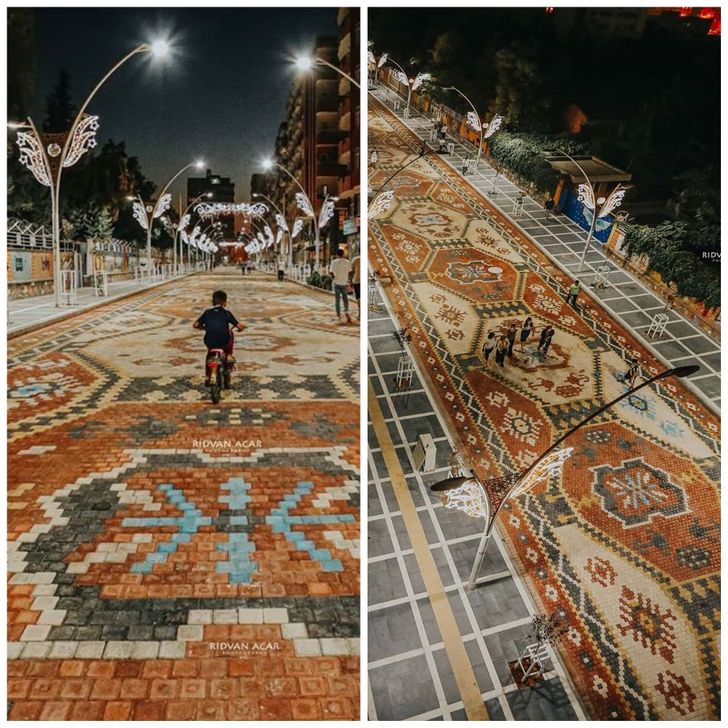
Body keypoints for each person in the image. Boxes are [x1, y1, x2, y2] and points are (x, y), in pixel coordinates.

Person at [193, 290, 244, 387]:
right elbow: (239, 326)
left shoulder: (207, 312)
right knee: (230, 334)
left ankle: (208, 376)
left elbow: (195, 325)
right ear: (225, 303)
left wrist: (205, 327)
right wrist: (242, 328)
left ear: (212, 302)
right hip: (224, 341)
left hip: (209, 341)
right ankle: (228, 357)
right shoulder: (227, 313)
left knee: (209, 353)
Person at [329, 248, 353, 325]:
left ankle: (338, 316)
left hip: (336, 283)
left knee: (337, 300)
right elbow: (350, 272)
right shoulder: (347, 262)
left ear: (337, 254)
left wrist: (334, 278)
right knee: (345, 299)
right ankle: (346, 311)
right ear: (343, 254)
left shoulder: (334, 262)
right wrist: (347, 278)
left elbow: (331, 272)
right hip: (344, 283)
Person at [350, 253, 361, 320]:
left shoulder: (356, 259)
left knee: (359, 298)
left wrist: (350, 281)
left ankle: (360, 313)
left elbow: (351, 271)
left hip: (357, 281)